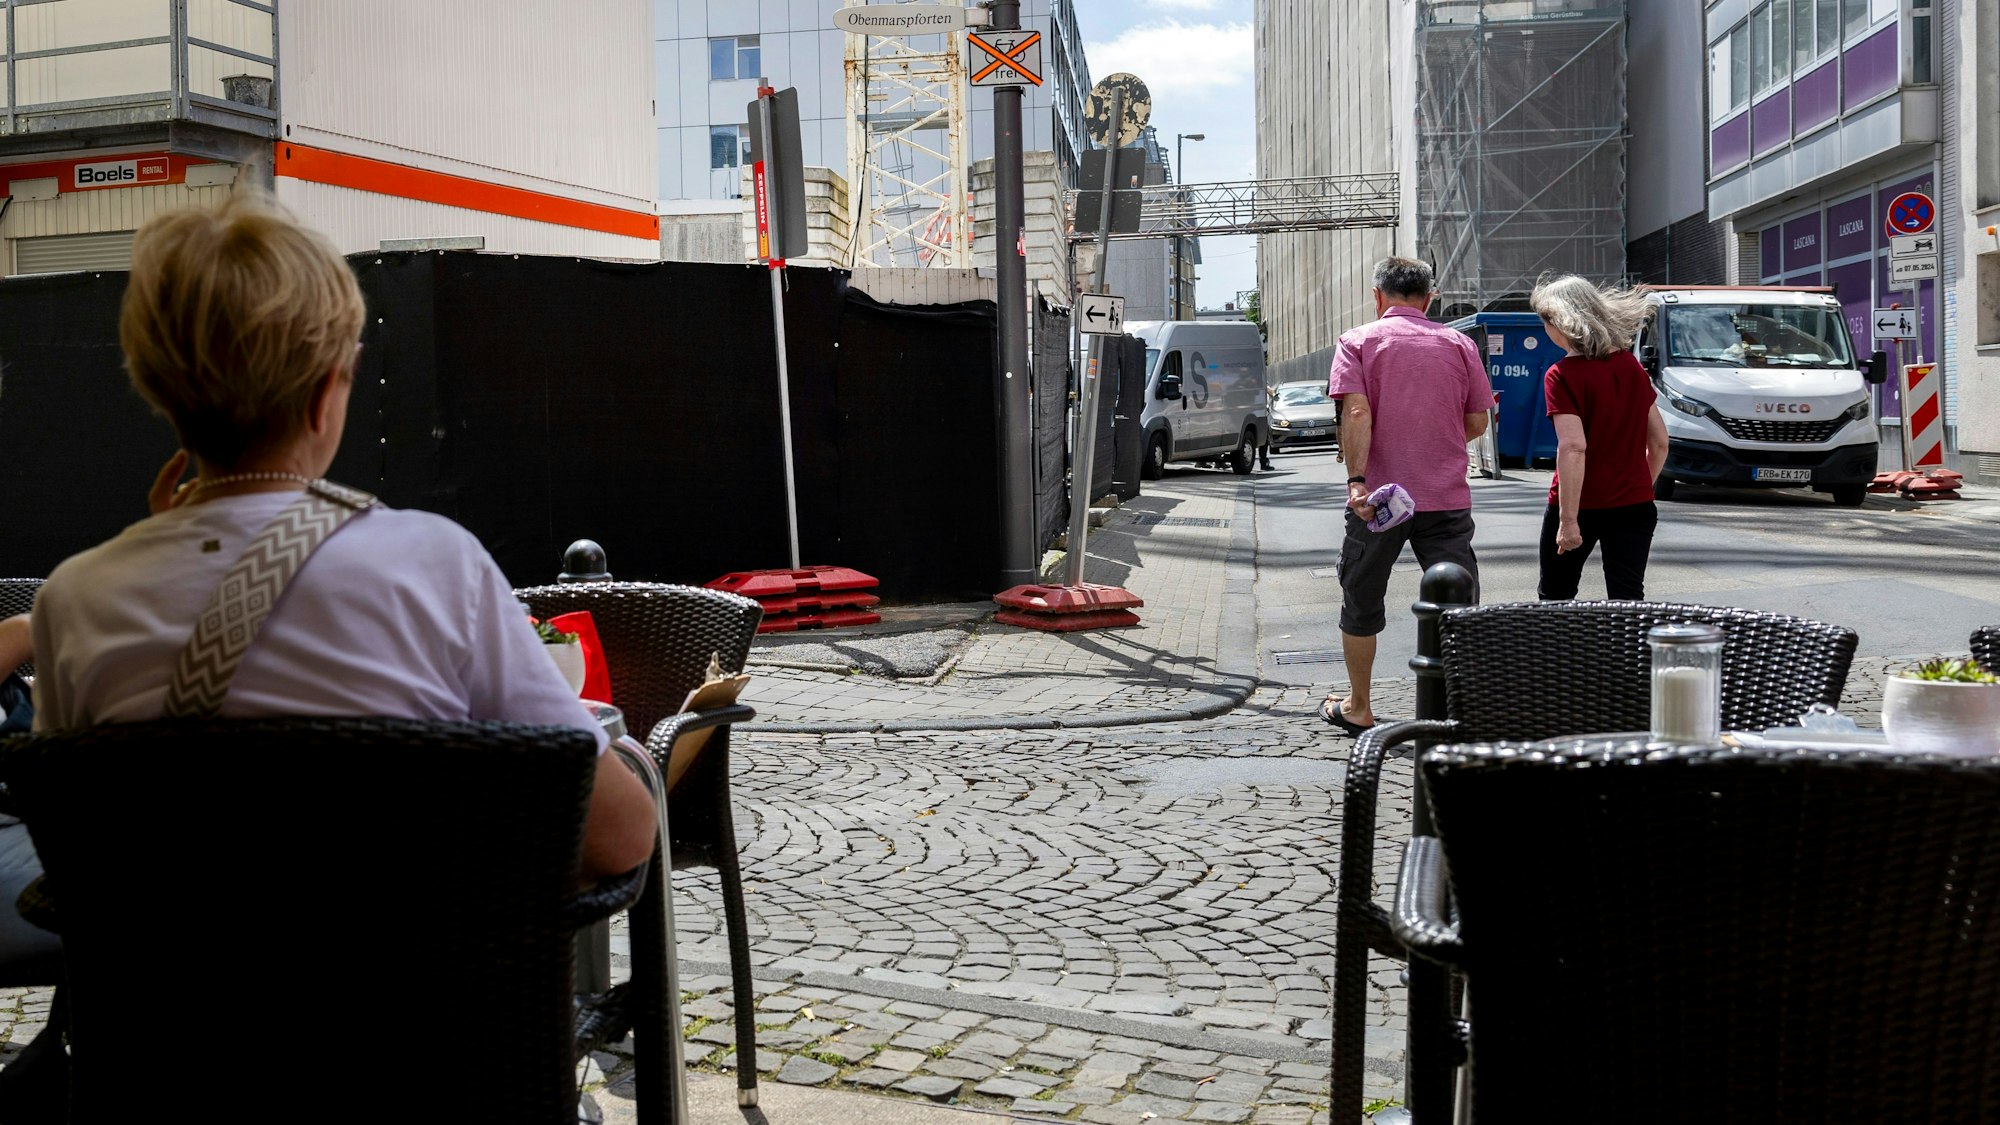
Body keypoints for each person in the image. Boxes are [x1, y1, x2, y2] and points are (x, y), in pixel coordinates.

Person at [1319, 257, 1494, 735]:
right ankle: (1459, 707)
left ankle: (1359, 706)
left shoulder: (1357, 341)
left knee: (1361, 598)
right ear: (1429, 298)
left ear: (1378, 297)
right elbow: (1478, 421)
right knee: (1459, 602)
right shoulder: (1458, 343)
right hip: (1445, 497)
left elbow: (1356, 413)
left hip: (1378, 501)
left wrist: (1357, 480)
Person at [1530, 275, 1669, 601]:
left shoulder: (1562, 375)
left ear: (1559, 321)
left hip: (1580, 505)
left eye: (1545, 321)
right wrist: (1639, 488)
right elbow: (1660, 442)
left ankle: (1565, 654)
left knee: (1556, 596)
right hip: (1635, 505)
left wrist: (1568, 521)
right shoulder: (1631, 367)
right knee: (1627, 598)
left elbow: (1574, 447)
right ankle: (1624, 654)